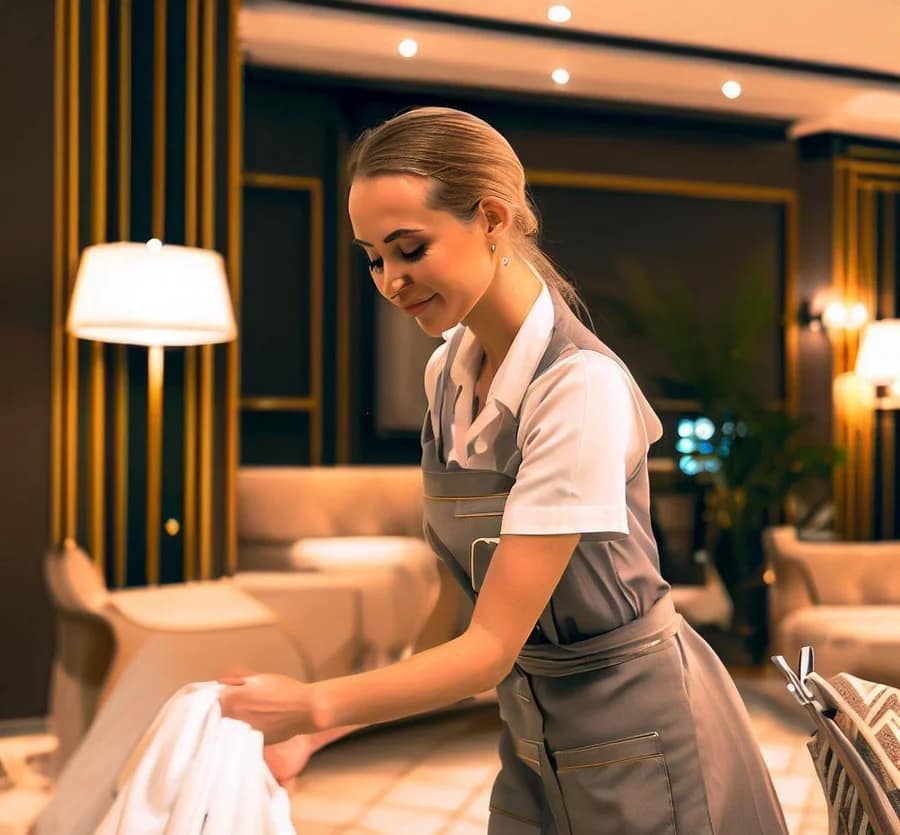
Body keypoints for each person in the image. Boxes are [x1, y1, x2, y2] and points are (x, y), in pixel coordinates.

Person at [219, 106, 789, 834]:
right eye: (372, 257)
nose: (390, 280)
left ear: (491, 217)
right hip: (531, 735)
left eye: (409, 247)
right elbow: (458, 606)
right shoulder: (445, 377)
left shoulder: (577, 389)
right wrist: (319, 733)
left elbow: (488, 651)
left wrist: (312, 701)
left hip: (641, 738)